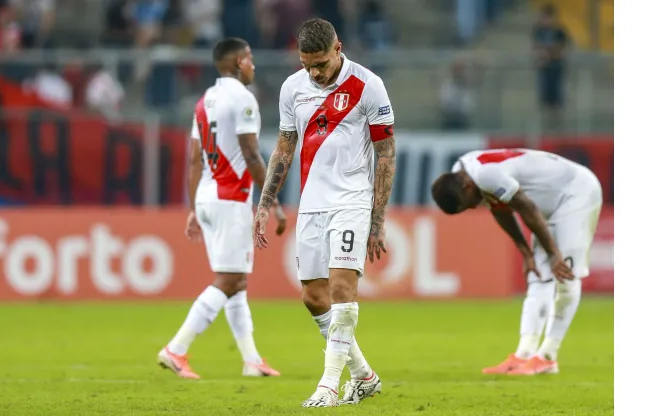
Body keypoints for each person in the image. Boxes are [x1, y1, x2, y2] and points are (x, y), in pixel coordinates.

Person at [252, 18, 397, 407]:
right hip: (311, 203)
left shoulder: (368, 86)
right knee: (314, 297)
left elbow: (385, 153)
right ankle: (364, 376)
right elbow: (284, 147)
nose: (314, 73)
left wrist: (377, 219)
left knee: (340, 290)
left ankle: (329, 385)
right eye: (307, 65)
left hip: (352, 199)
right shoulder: (291, 88)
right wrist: (265, 202)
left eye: (321, 64)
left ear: (339, 49)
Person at [158, 37, 286, 379]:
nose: (253, 65)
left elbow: (194, 160)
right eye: (250, 58)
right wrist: (271, 202)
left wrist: (192, 209)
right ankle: (176, 348)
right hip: (230, 198)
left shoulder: (205, 101)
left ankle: (251, 360)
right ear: (238, 62)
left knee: (237, 282)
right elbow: (251, 154)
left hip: (206, 196)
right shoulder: (243, 99)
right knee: (229, 279)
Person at [431, 148, 603, 375]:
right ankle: (524, 356)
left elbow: (526, 208)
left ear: (467, 187)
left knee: (565, 272)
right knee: (538, 276)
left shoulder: (485, 175)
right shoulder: (462, 175)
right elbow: (501, 209)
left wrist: (553, 254)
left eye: (468, 204)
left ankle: (548, 356)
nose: (473, 207)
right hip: (550, 204)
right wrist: (526, 252)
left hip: (577, 193)